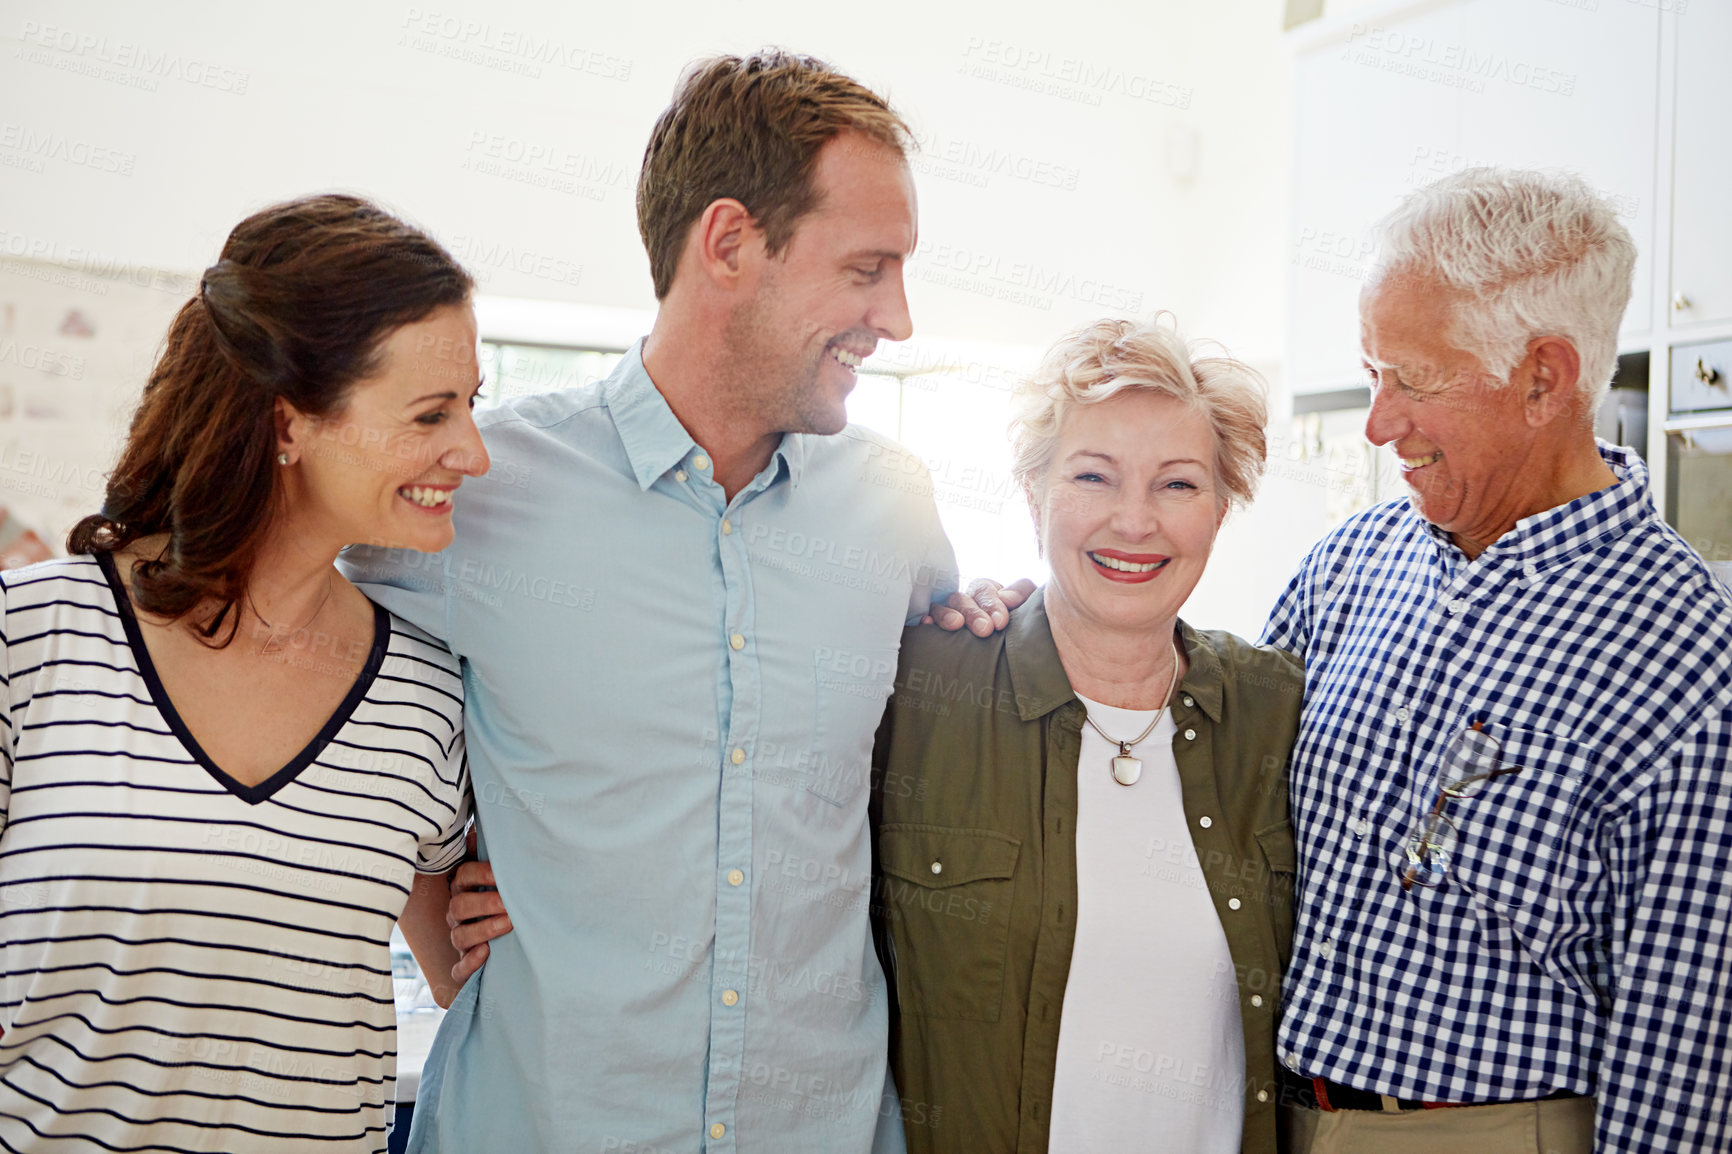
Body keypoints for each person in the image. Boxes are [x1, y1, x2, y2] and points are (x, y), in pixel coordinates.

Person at [339, 51, 1021, 1153]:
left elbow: (931, 732)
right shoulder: (480, 491)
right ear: (729, 244)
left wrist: (999, 616)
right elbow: (327, 712)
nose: (894, 317)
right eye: (866, 267)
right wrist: (441, 905)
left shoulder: (891, 508)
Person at [0, 194, 487, 1151]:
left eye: (471, 405)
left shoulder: (425, 697)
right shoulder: (33, 639)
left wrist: (518, 902)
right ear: (287, 423)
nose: (470, 452)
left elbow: (462, 973)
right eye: (431, 413)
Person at [1265, 168, 1732, 1153]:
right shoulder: (1350, 561)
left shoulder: (1687, 654)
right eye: (1371, 371)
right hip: (1279, 1113)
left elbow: (1684, 1048)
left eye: (1413, 381)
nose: (1377, 422)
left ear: (1543, 378)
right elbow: (1206, 772)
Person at [868, 315, 1303, 1153]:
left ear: (1223, 506)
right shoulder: (920, 686)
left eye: (1178, 485)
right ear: (1033, 493)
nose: (1134, 523)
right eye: (1094, 477)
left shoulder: (1277, 711)